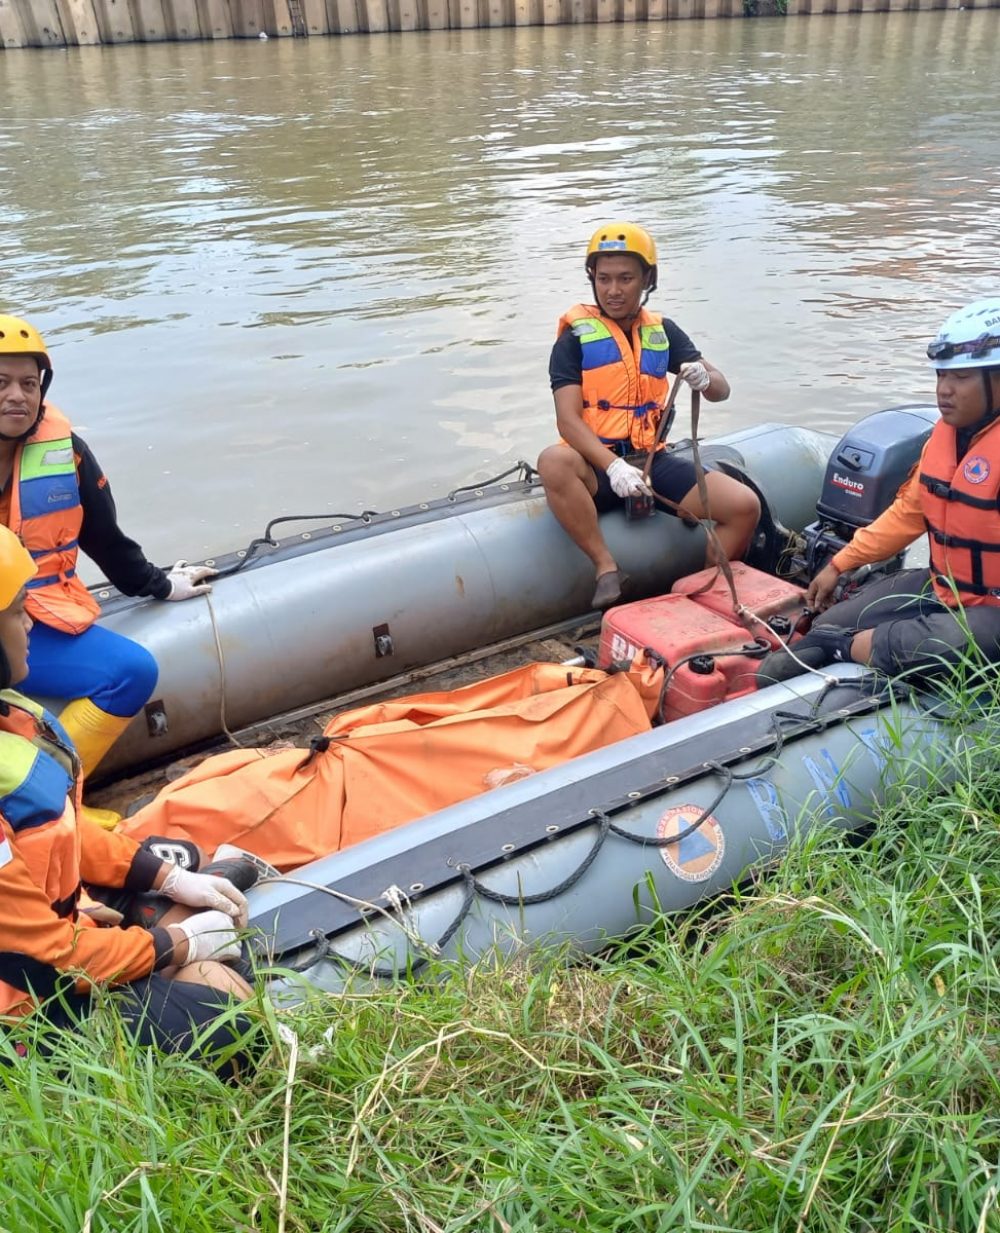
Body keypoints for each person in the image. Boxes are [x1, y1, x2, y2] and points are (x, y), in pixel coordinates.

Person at [0, 523, 258, 1077]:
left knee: (186, 877)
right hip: (26, 1001)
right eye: (19, 612)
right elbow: (54, 958)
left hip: (44, 929)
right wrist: (174, 945)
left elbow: (53, 827)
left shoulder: (11, 719)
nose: (29, 625)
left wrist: (163, 878)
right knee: (230, 1028)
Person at [0, 314, 215, 823]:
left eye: (29, 384)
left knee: (131, 671)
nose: (16, 396)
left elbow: (105, 538)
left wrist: (159, 584)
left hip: (26, 618)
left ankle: (52, 798)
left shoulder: (65, 452)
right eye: (1, 383)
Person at [758, 297, 1000, 683]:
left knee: (950, 642)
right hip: (945, 587)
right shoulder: (945, 439)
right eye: (941, 375)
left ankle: (853, 648)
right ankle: (844, 642)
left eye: (962, 378)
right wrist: (840, 564)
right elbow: (906, 516)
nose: (945, 390)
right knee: (825, 627)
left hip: (994, 614)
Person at [536, 222, 761, 610]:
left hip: (651, 461)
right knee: (553, 461)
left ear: (647, 280)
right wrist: (613, 468)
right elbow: (567, 421)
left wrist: (705, 378)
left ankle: (707, 587)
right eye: (604, 278)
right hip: (596, 467)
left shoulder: (664, 332)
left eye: (626, 278)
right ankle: (606, 566)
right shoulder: (574, 340)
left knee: (745, 506)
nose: (613, 290)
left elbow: (721, 390)